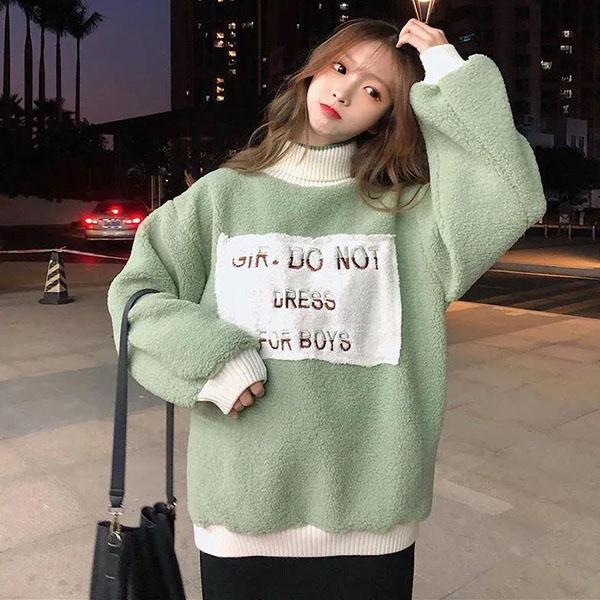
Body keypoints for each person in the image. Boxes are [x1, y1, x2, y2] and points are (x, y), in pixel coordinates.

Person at [106, 17, 547, 600]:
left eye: (373, 91)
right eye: (340, 68)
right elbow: (135, 294)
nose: (343, 91)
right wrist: (210, 361)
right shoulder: (221, 196)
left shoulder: (412, 215)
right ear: (312, 71)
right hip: (242, 507)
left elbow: (510, 194)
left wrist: (448, 73)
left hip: (371, 516)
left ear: (388, 116)